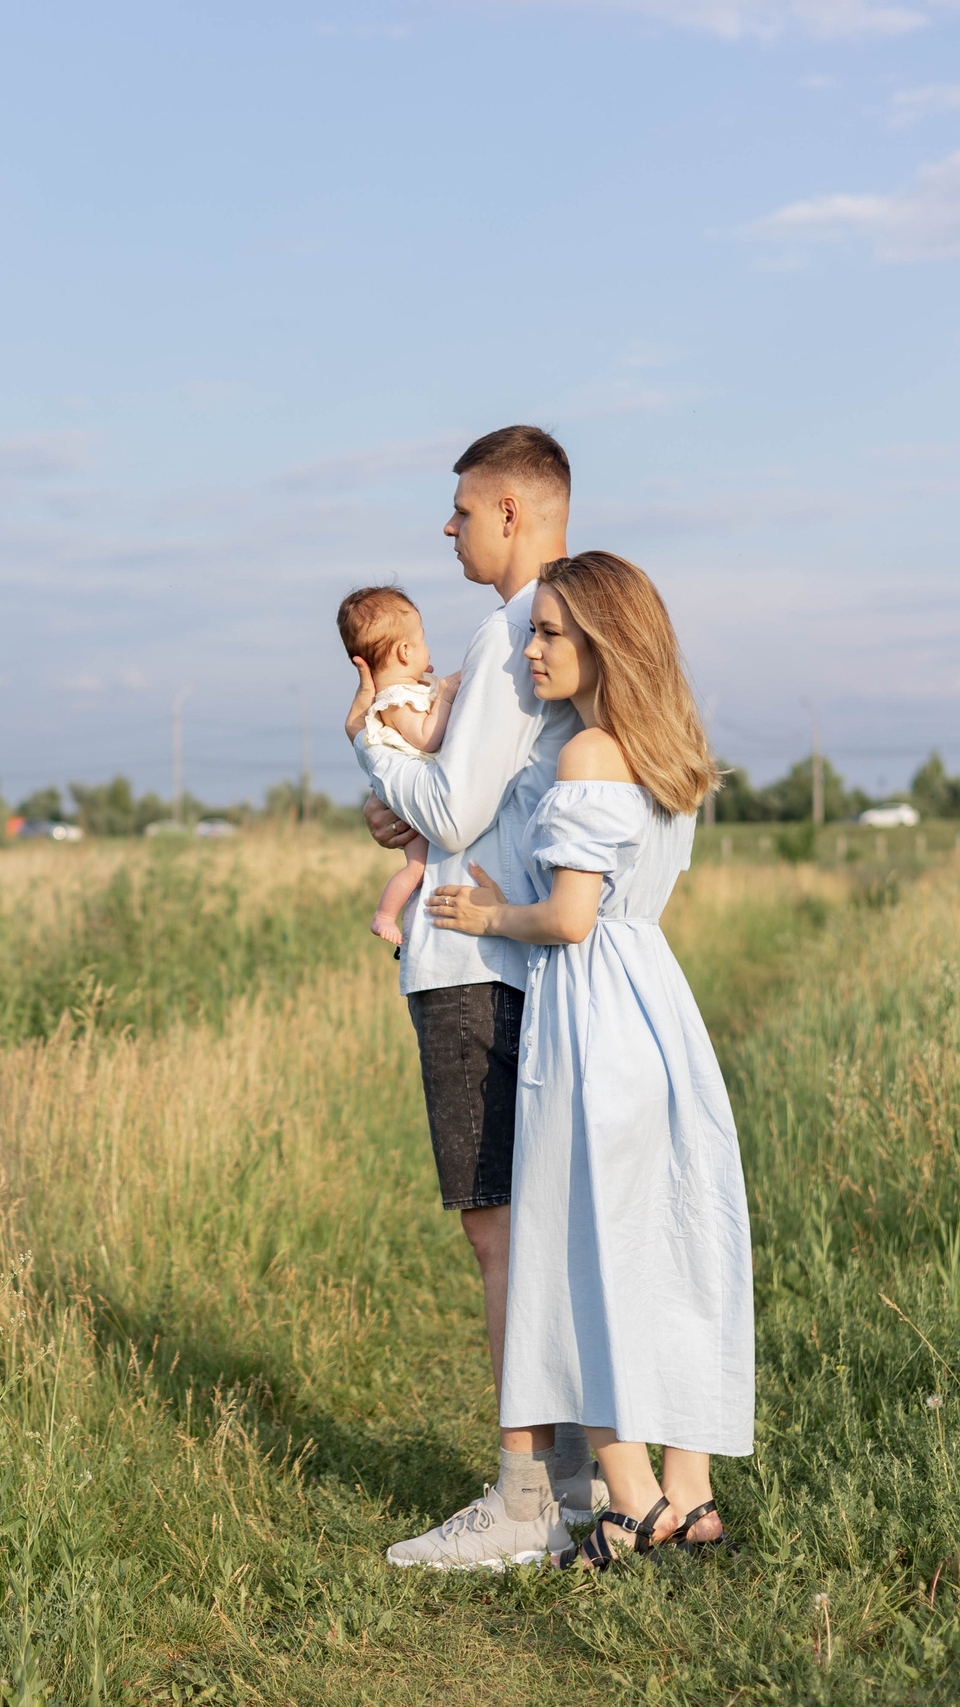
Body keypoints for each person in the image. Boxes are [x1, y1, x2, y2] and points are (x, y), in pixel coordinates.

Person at [424, 550, 752, 1566]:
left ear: (605, 640)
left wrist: (487, 912)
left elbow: (568, 919)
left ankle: (629, 1498)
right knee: (670, 1252)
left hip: (593, 1019)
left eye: (550, 631)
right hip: (658, 1004)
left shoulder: (588, 756)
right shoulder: (668, 752)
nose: (531, 648)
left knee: (582, 1257)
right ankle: (690, 1496)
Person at [346, 426, 600, 1569]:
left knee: (496, 1232)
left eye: (457, 510)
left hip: (468, 965)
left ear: (507, 511)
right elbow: (468, 798)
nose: (445, 529)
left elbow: (449, 815)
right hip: (501, 950)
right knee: (522, 1226)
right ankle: (569, 1477)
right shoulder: (545, 625)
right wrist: (408, 798)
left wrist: (371, 751)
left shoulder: (512, 633)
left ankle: (522, 1501)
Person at [333, 584, 461, 946]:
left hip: (416, 793)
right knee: (417, 867)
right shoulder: (394, 700)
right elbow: (426, 738)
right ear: (406, 651)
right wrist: (447, 695)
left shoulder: (410, 690)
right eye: (421, 641)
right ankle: (385, 915)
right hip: (410, 802)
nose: (426, 649)